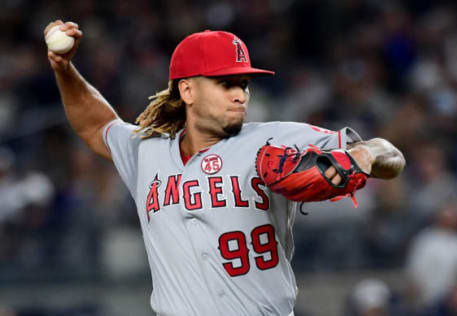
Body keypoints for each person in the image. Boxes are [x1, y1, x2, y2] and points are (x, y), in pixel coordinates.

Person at [45, 20, 405, 316]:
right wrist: (64, 69)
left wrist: (364, 157)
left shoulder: (275, 139)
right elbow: (96, 126)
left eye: (243, 84)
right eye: (225, 83)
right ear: (187, 90)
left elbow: (391, 154)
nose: (240, 94)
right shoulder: (148, 150)